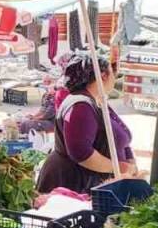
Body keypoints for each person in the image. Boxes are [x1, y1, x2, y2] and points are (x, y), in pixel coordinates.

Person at [36, 53, 140, 195]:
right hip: (74, 184)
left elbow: (120, 138)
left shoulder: (97, 100)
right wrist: (118, 167)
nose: (115, 78)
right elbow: (81, 152)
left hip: (95, 183)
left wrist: (129, 162)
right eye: (113, 73)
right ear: (103, 75)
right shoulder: (80, 105)